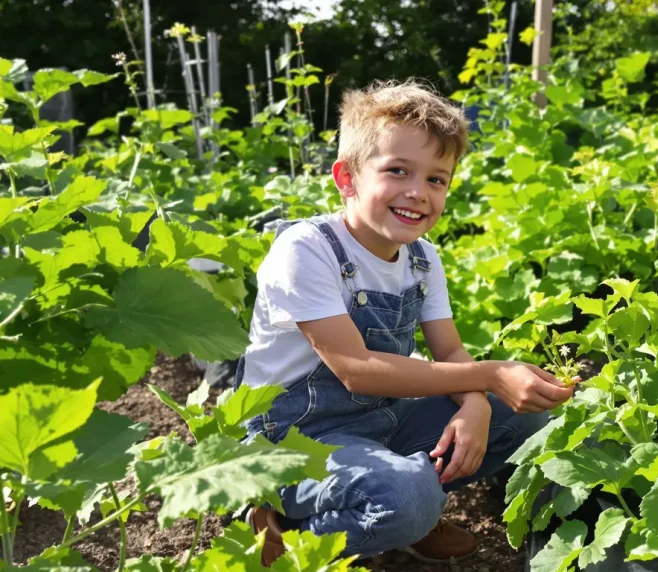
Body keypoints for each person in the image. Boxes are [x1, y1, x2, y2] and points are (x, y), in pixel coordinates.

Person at [236, 80, 575, 566]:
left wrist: (477, 403)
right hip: (292, 436)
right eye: (398, 171)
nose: (418, 193)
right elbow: (357, 369)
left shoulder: (421, 258)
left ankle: (396, 509)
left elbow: (451, 352)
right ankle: (285, 535)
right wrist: (489, 373)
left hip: (381, 419)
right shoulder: (307, 250)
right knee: (407, 498)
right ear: (347, 178)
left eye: (437, 179)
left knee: (525, 416)